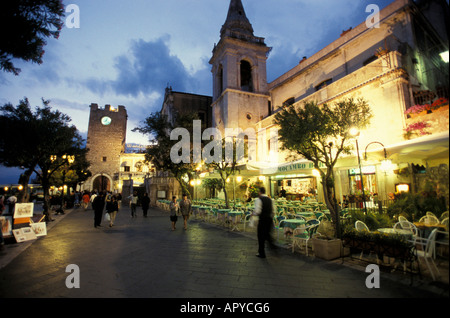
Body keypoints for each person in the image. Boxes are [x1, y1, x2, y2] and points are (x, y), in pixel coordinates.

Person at [253, 187, 277, 258]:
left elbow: (258, 211)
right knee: (267, 235)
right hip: (269, 219)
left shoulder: (258, 200)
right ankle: (273, 246)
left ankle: (262, 253)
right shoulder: (270, 200)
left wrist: (253, 214)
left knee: (261, 236)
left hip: (263, 219)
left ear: (260, 192)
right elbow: (273, 211)